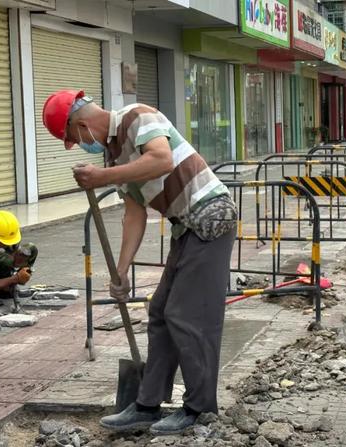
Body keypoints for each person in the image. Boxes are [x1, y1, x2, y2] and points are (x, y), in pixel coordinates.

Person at [42, 90, 237, 435]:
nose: (79, 144)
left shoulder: (137, 116)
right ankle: (147, 404)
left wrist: (102, 178)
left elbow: (161, 159)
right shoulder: (117, 160)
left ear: (81, 124)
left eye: (73, 138)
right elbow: (135, 215)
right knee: (161, 312)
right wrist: (121, 271)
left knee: (187, 314)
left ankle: (199, 407)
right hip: (185, 226)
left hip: (210, 215)